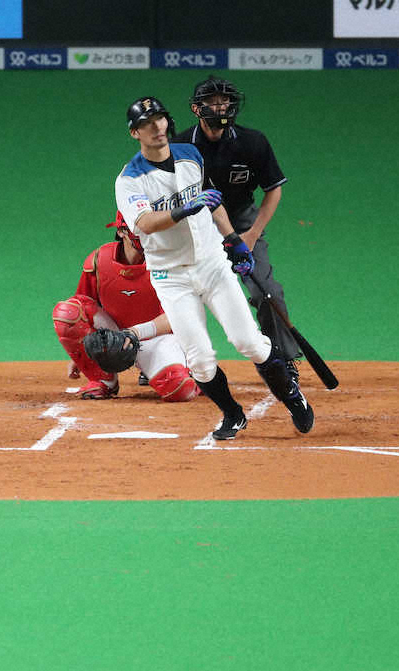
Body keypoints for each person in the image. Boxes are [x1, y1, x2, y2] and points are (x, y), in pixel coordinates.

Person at [114, 95, 314, 439]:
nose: (157, 127)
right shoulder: (130, 180)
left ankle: (293, 398)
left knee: (249, 341)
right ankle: (233, 414)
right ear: (135, 133)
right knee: (200, 360)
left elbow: (212, 201)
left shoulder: (190, 155)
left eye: (160, 119)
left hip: (212, 264)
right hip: (171, 277)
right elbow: (145, 223)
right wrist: (185, 209)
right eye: (147, 123)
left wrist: (234, 240)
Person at [172, 76, 300, 382]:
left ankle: (282, 360)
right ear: (196, 108)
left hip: (243, 220)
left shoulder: (252, 142)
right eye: (212, 102)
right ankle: (169, 360)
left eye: (225, 100)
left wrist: (252, 234)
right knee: (175, 289)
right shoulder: (180, 146)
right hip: (195, 223)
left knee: (267, 291)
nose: (221, 107)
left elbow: (274, 189)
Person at [53, 211, 200, 402]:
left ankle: (191, 370)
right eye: (141, 228)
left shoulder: (169, 261)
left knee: (180, 389)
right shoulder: (99, 259)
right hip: (116, 336)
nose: (147, 232)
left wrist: (134, 333)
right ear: (121, 231)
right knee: (67, 312)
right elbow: (82, 307)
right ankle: (103, 381)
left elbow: (175, 318)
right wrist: (82, 355)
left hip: (158, 338)